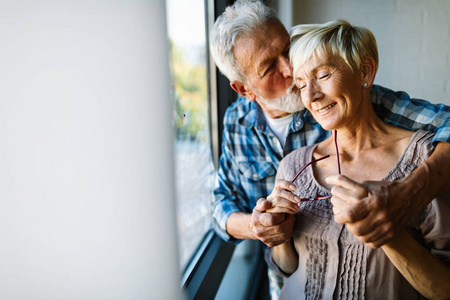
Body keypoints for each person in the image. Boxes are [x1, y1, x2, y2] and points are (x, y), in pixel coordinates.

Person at [209, 0, 450, 297]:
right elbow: (222, 200)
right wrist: (256, 225)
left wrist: (408, 192)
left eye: (287, 49)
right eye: (270, 66)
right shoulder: (237, 122)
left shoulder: (361, 100)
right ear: (244, 89)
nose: (289, 68)